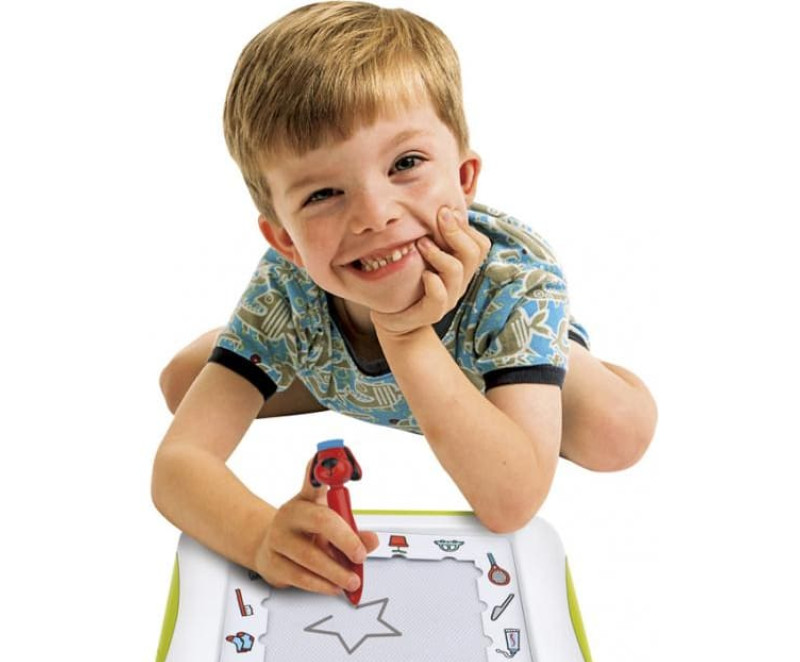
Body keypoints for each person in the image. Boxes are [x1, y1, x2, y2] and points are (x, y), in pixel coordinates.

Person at [152, 1, 657, 599]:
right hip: (347, 361)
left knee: (615, 432)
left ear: (464, 179)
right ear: (285, 240)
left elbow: (511, 504)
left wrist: (407, 334)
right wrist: (260, 535)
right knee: (183, 383)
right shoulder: (288, 286)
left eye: (406, 164)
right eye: (323, 194)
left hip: (487, 371)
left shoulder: (516, 283)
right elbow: (177, 465)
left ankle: (546, 371)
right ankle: (310, 364)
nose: (375, 215)